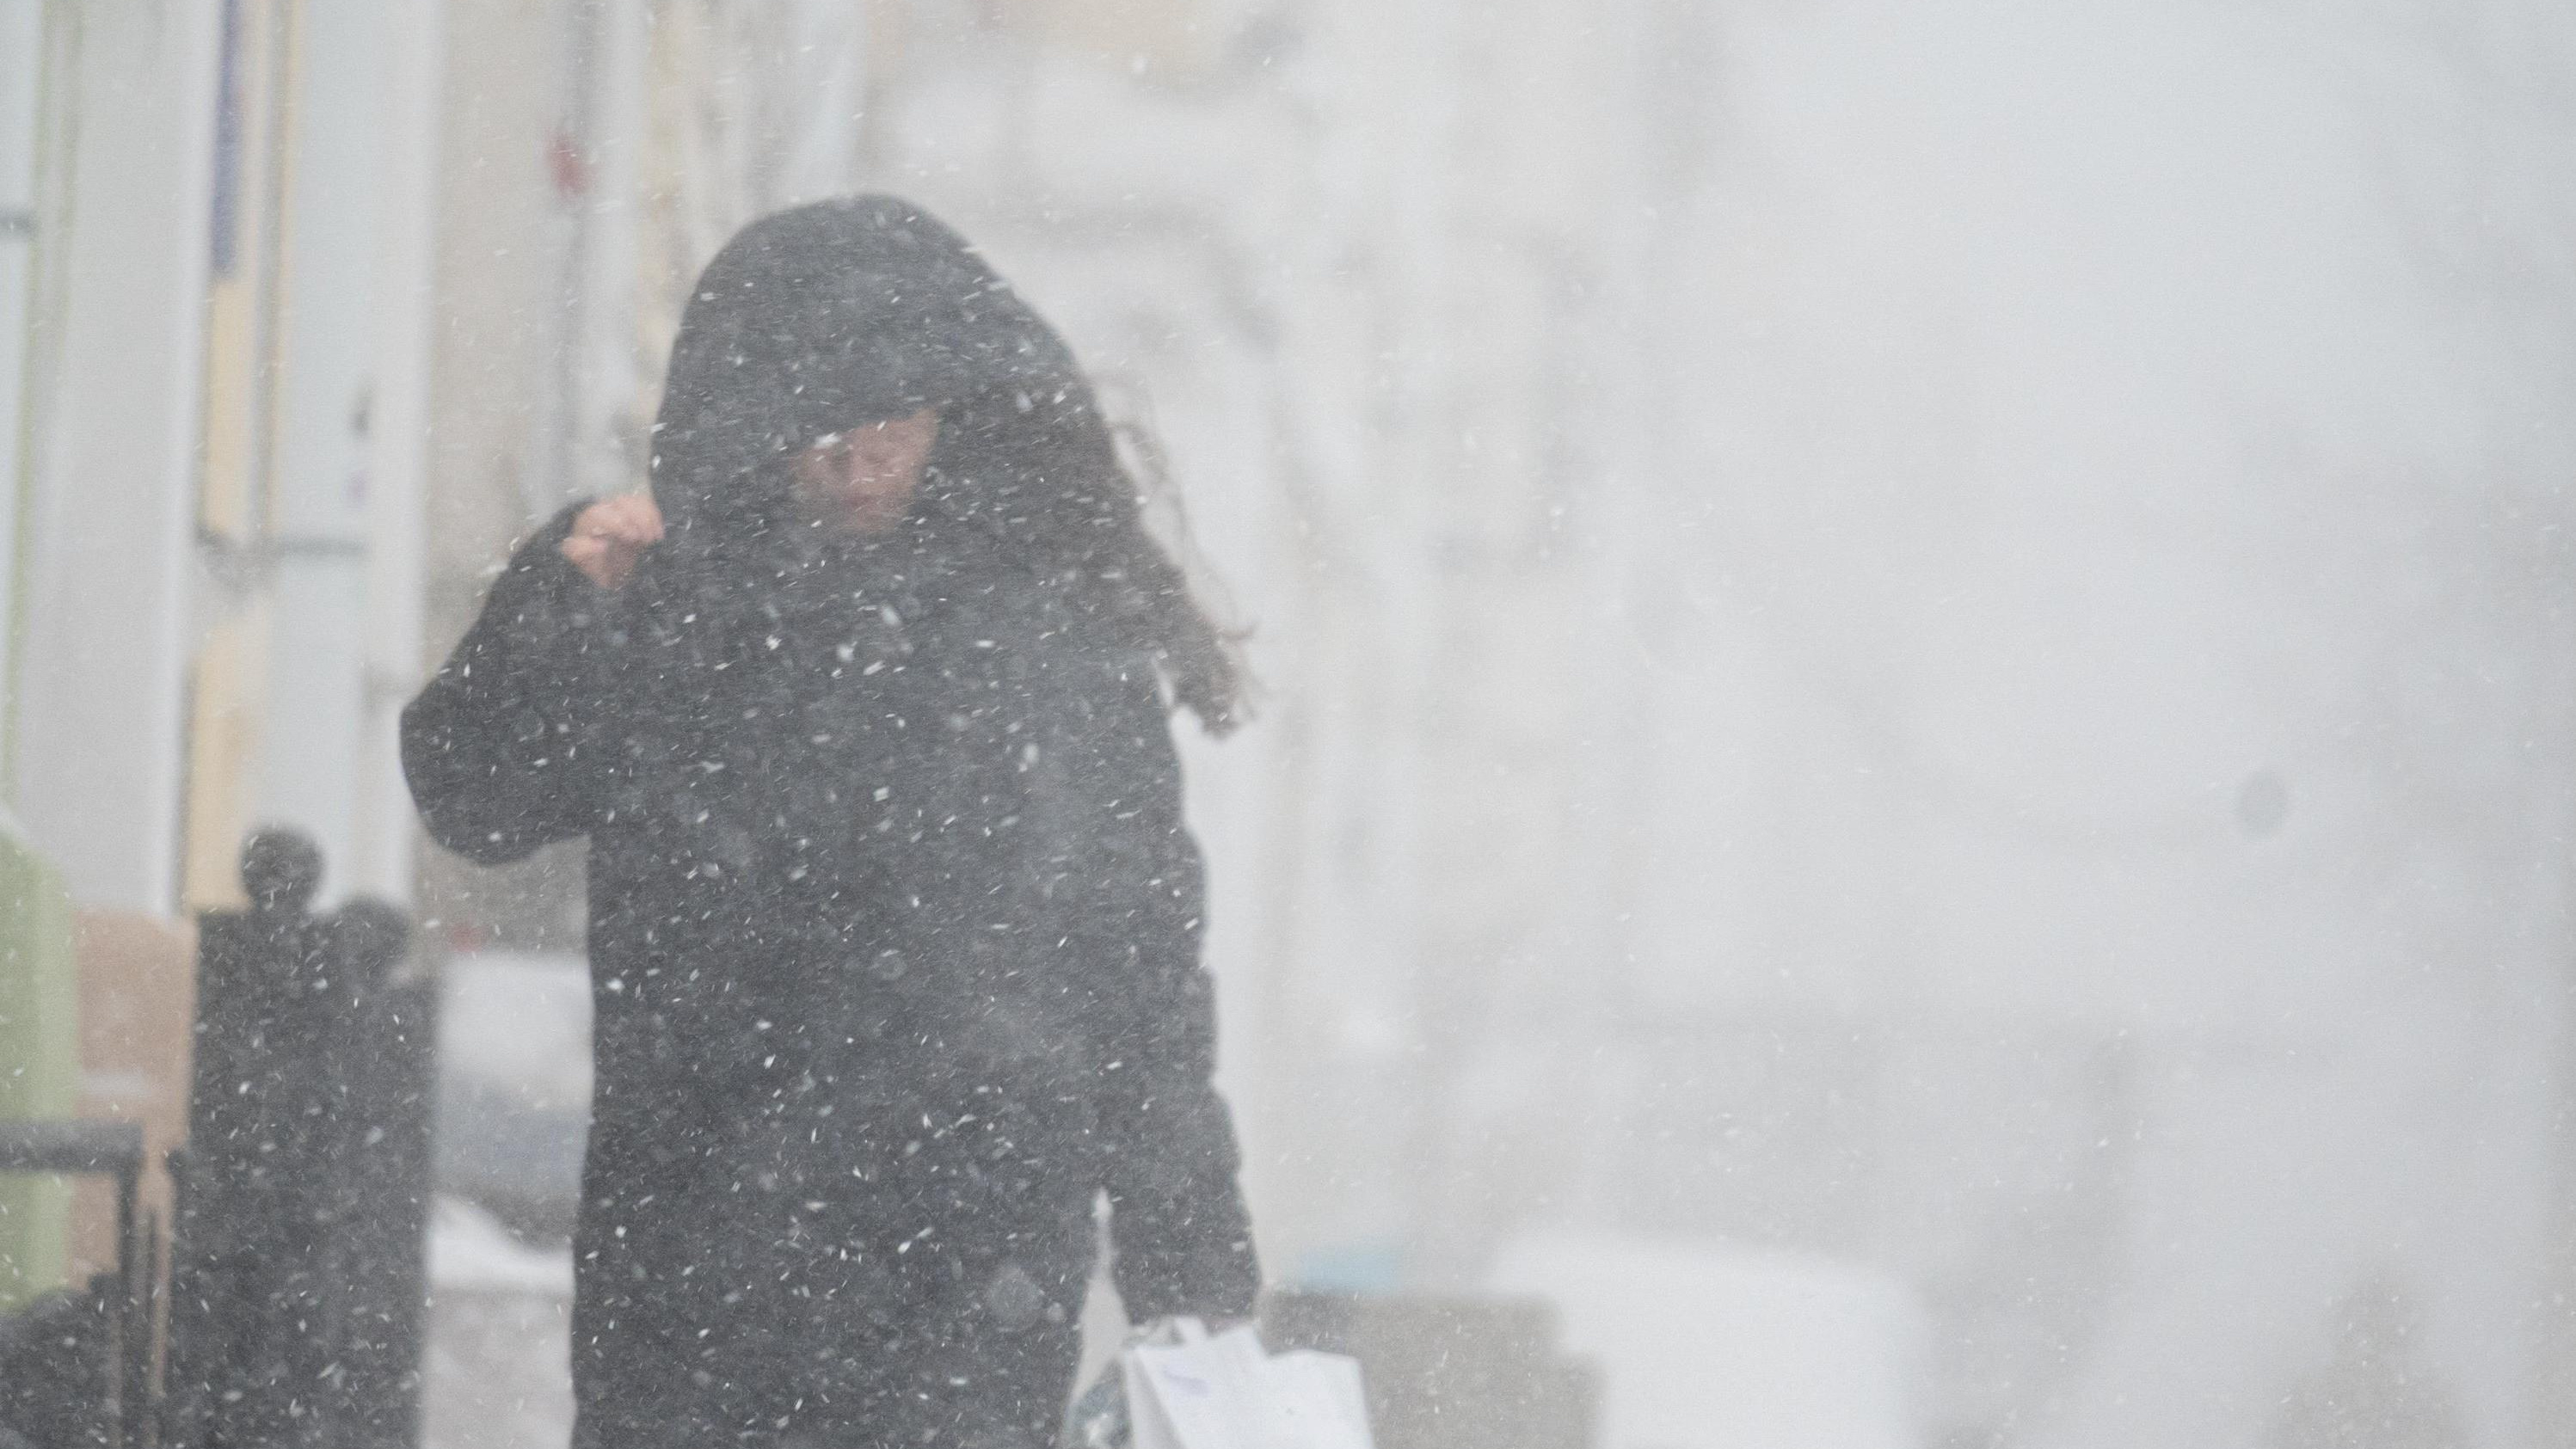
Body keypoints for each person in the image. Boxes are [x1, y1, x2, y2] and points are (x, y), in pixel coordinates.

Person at [403, 196, 1260, 1449]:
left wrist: (1196, 1289)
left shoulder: (1055, 652)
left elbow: (1141, 988)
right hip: (700, 1274)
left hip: (962, 1277)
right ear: (754, 428)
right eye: (824, 427)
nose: (860, 459)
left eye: (892, 421)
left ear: (950, 416)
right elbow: (473, 797)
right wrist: (554, 602)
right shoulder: (677, 614)